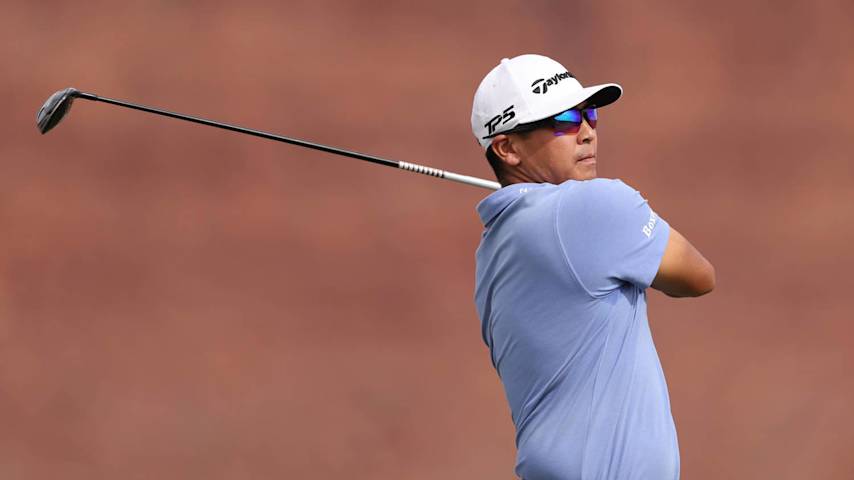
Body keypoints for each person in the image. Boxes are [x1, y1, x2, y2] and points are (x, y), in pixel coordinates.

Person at [471, 54, 715, 480]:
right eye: (563, 119)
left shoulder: (493, 249)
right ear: (507, 148)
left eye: (589, 113)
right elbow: (697, 277)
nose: (585, 132)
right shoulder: (593, 206)